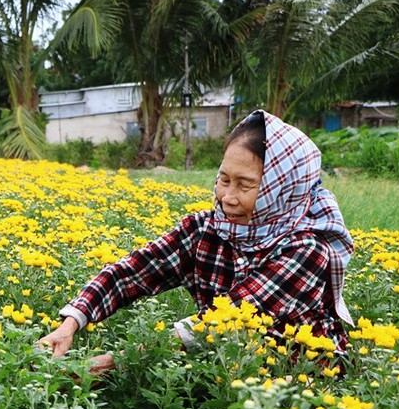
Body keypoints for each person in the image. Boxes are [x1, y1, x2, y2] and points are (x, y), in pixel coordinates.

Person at [38, 110, 354, 375]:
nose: (228, 197)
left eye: (246, 185)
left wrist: (109, 363)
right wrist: (70, 324)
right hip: (224, 369)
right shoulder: (208, 229)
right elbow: (131, 272)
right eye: (224, 179)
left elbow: (223, 321)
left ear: (284, 188)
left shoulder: (308, 249)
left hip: (302, 388)